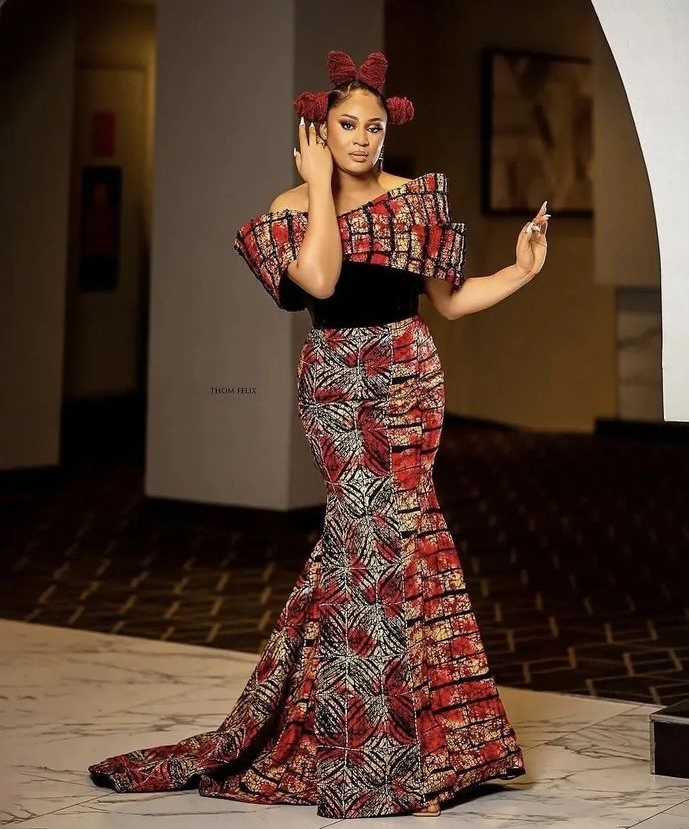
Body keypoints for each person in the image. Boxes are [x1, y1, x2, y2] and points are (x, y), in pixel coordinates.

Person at [87, 49, 549, 820]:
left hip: (408, 377)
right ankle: (364, 755)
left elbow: (450, 302)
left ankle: (429, 755)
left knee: (407, 547)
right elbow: (323, 281)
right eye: (347, 126)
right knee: (360, 549)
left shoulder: (415, 200)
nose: (362, 139)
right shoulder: (291, 206)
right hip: (336, 385)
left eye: (373, 127)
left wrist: (522, 270)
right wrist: (319, 189)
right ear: (319, 130)